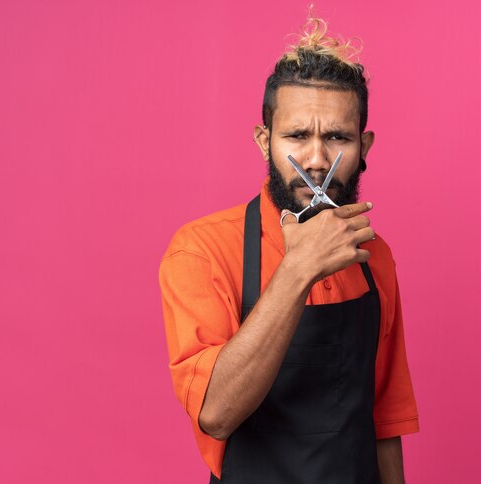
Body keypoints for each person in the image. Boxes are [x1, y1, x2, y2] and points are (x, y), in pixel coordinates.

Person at [159, 15, 419, 484]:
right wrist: (299, 268)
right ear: (265, 142)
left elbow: (385, 419)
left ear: (363, 146)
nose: (317, 161)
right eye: (297, 136)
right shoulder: (201, 250)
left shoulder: (374, 256)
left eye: (337, 137)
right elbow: (216, 413)